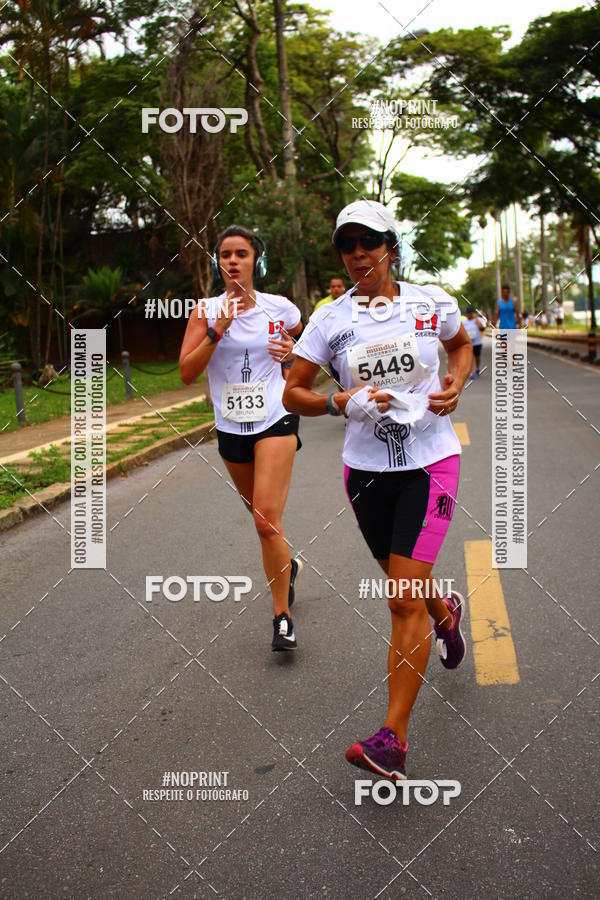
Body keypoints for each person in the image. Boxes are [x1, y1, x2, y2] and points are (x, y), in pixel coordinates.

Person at [283, 200, 473, 780]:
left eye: (370, 240)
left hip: (430, 463)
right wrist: (335, 401)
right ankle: (445, 616)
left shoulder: (429, 301)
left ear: (391, 246)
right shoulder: (329, 320)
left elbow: (462, 346)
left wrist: (455, 383)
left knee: (398, 598)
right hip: (364, 473)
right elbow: (293, 393)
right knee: (405, 583)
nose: (359, 252)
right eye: (348, 243)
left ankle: (392, 739)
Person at [179, 224, 304, 652]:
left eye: (242, 254)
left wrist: (292, 355)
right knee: (261, 518)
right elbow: (186, 372)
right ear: (218, 261)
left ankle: (281, 618)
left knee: (266, 519)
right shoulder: (204, 310)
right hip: (232, 427)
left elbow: (303, 355)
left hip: (276, 417)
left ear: (256, 261)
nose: (233, 260)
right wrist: (218, 329)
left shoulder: (281, 308)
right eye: (226, 254)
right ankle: (289, 564)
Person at [463, 306, 486, 378]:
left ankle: (477, 368)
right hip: (468, 342)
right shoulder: (463, 322)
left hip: (477, 342)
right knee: (470, 357)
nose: (469, 315)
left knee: (477, 357)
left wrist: (476, 319)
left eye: (471, 313)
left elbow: (482, 329)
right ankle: (471, 372)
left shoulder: (478, 320)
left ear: (474, 313)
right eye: (468, 313)